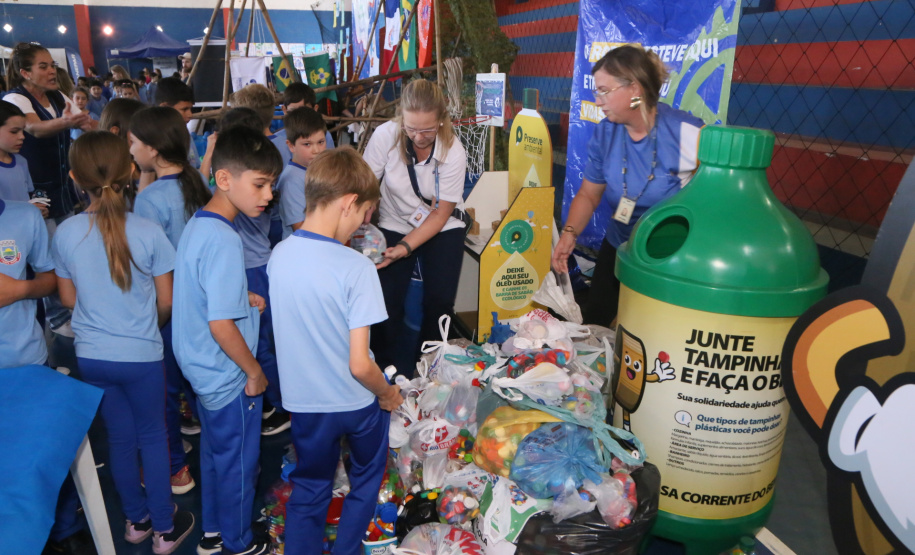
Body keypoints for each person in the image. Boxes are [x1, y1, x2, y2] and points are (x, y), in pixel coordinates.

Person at [52, 131, 195, 554]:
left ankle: (135, 522)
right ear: (132, 171)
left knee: (119, 440)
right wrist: (140, 328)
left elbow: (66, 299)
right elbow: (166, 302)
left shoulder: (66, 233)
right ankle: (165, 531)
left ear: (75, 178)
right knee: (153, 437)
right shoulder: (149, 232)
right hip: (142, 356)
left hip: (93, 357)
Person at [267, 146, 402, 554]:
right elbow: (360, 363)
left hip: (307, 406)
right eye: (365, 214)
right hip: (356, 402)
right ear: (348, 204)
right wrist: (386, 393)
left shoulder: (278, 256)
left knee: (309, 488)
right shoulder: (356, 268)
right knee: (365, 480)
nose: (364, 224)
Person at [171, 126, 282, 555]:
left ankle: (215, 529)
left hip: (200, 369)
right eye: (259, 184)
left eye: (271, 184)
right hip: (228, 375)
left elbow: (202, 295)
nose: (268, 194)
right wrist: (254, 371)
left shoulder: (200, 224)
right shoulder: (225, 239)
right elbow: (221, 326)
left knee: (217, 455)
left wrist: (242, 297)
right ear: (223, 179)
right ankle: (238, 542)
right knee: (240, 463)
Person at [551, 46, 703, 327]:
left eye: (604, 91)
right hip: (619, 243)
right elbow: (588, 193)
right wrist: (569, 234)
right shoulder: (605, 131)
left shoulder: (687, 133)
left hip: (667, 256)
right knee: (596, 322)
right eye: (597, 92)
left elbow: (716, 196)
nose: (598, 101)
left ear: (634, 89)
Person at [130, 105, 212, 493]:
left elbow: (149, 262)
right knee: (199, 387)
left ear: (151, 148)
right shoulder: (196, 182)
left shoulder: (149, 200)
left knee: (164, 394)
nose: (129, 150)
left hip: (170, 307)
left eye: (132, 142)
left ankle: (176, 469)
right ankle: (213, 450)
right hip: (201, 302)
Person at [363, 79, 469, 376]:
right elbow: (365, 186)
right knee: (386, 299)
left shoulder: (453, 151)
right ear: (401, 118)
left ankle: (429, 372)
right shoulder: (385, 136)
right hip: (394, 220)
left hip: (442, 224)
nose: (418, 137)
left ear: (442, 121)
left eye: (427, 129)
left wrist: (406, 248)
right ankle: (386, 371)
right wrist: (363, 227)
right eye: (411, 128)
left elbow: (439, 213)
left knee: (439, 302)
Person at [4, 42, 92, 338]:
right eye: (43, 66)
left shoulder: (58, 96)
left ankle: (72, 306)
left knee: (68, 249)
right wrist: (67, 121)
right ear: (24, 72)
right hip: (37, 190)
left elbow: (83, 121)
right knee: (47, 255)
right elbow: (36, 129)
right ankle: (56, 316)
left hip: (62, 186)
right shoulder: (18, 98)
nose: (51, 71)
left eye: (52, 65)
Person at [219, 86, 288, 435]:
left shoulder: (247, 193)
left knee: (262, 342)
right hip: (255, 266)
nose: (267, 193)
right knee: (258, 340)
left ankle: (278, 403)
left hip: (255, 268)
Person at [277, 106, 327, 238]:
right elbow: (300, 228)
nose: (316, 150)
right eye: (307, 144)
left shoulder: (315, 170)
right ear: (291, 146)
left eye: (321, 142)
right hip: (303, 250)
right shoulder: (291, 180)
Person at [275, 82, 334, 167]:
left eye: (305, 110)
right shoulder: (276, 141)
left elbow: (329, 166)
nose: (300, 116)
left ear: (315, 109)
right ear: (284, 110)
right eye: (293, 111)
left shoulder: (325, 136)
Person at [155, 77, 200, 170]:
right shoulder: (155, 139)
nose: (190, 114)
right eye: (184, 109)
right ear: (164, 107)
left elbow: (196, 166)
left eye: (190, 109)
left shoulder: (185, 134)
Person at [0, 101, 38, 207]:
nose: (22, 137)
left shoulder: (21, 161)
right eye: (14, 132)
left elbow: (24, 197)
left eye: (22, 131)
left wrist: (33, 208)